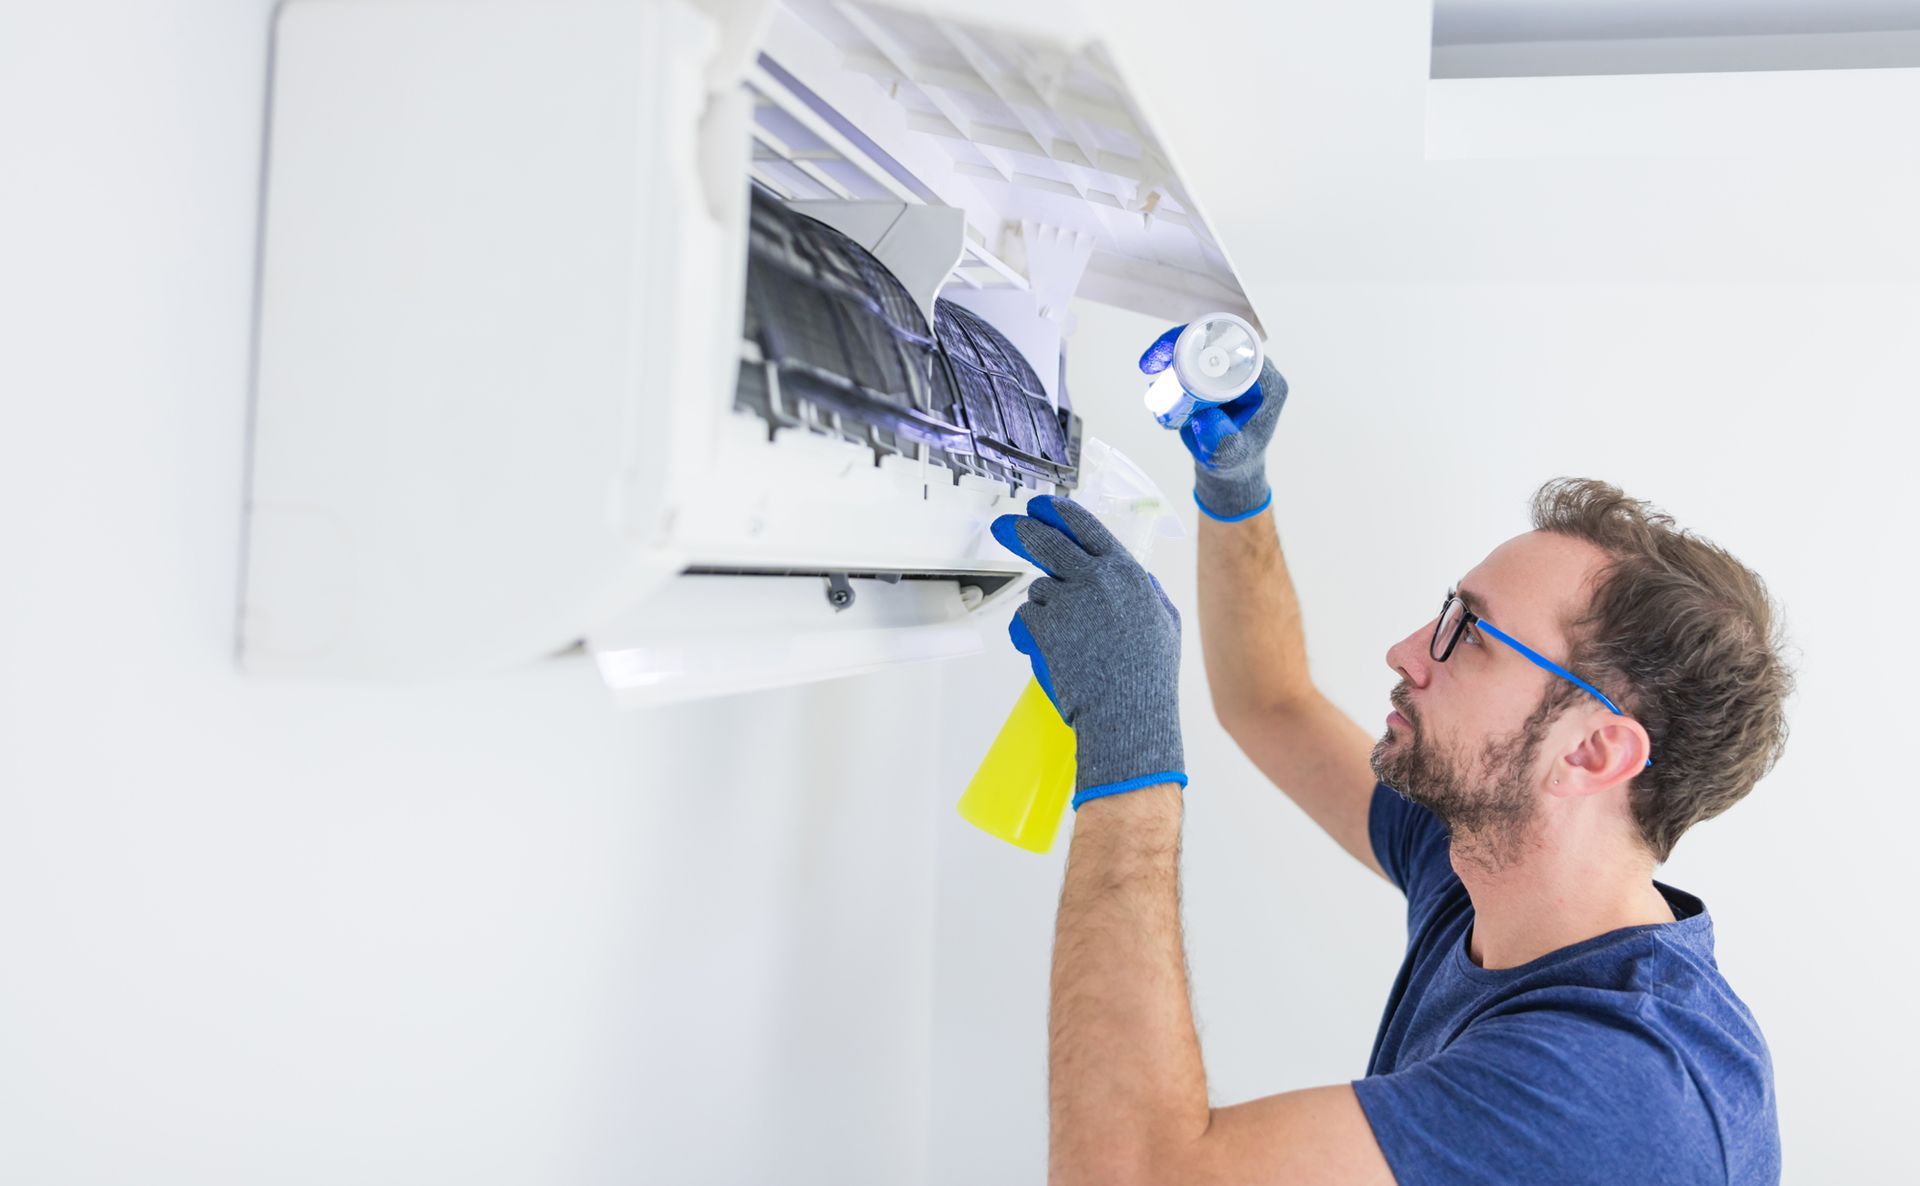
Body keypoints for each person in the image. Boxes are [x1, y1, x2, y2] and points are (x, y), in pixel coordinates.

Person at [989, 325, 1793, 1186]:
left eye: (1469, 634)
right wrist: (1236, 493)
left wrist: (1125, 750)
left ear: (1594, 749)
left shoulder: (1622, 1087)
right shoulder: (1483, 870)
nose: (1407, 650)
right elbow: (1274, 704)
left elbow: (1131, 1174)